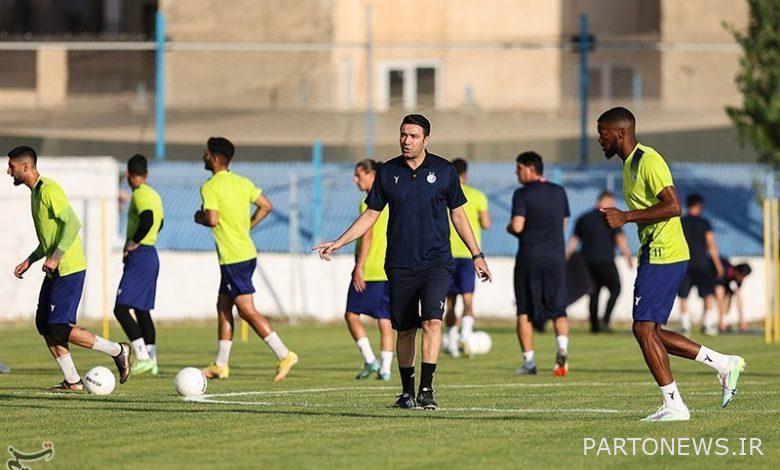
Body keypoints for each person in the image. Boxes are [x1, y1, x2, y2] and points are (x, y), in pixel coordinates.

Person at [314, 114, 491, 410]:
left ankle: (426, 389)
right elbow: (371, 214)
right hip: (399, 263)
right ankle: (407, 391)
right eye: (403, 135)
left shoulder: (444, 171)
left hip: (436, 262)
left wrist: (477, 254)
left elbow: (458, 214)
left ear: (426, 140)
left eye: (413, 136)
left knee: (433, 320)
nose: (406, 141)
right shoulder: (387, 172)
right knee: (406, 328)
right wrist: (339, 242)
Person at [597, 107, 745, 421]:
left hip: (665, 252)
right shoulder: (628, 166)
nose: (600, 139)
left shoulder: (648, 160)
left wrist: (626, 216)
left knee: (643, 329)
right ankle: (722, 364)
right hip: (655, 252)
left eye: (603, 132)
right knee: (648, 331)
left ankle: (675, 405)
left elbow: (673, 206)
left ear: (620, 133)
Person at [8, 145, 131, 391]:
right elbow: (50, 238)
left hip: (70, 267)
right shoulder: (35, 194)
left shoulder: (49, 190)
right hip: (55, 268)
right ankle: (73, 381)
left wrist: (55, 257)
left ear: (25, 166)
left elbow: (73, 223)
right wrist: (30, 260)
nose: (8, 171)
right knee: (44, 324)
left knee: (57, 326)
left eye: (11, 166)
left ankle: (118, 350)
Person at [195, 137, 298, 382]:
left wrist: (198, 216)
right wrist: (248, 225)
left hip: (233, 257)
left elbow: (211, 219)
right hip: (244, 253)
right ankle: (220, 364)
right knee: (223, 306)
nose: (204, 156)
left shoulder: (210, 186)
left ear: (216, 158)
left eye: (207, 153)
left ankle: (284, 354)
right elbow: (266, 205)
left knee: (247, 310)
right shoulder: (242, 182)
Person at [507, 152, 570, 377]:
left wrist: (509, 228)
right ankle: (562, 348)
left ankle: (529, 362)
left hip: (530, 257)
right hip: (555, 258)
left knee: (524, 310)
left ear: (530, 168)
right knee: (559, 308)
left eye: (519, 169)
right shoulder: (559, 191)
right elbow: (563, 224)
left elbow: (517, 226)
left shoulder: (522, 194)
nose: (517, 173)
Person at [113, 154, 164, 375]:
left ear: (128, 174)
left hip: (141, 255)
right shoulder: (154, 194)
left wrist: (134, 242)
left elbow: (149, 219)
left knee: (121, 308)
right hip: (151, 253)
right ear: (147, 174)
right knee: (142, 310)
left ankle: (142, 357)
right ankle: (151, 360)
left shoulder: (140, 194)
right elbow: (160, 223)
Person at [346, 159, 393, 381]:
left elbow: (367, 234)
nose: (356, 180)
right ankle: (385, 369)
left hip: (372, 269)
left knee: (351, 314)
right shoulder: (393, 199)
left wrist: (359, 267)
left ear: (371, 175)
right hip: (390, 268)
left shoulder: (368, 203)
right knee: (385, 319)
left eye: (358, 175)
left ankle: (369, 359)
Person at [566, 190, 633, 333]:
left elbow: (574, 241)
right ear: (605, 201)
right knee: (616, 288)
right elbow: (619, 239)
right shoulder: (610, 218)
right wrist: (627, 255)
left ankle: (595, 326)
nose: (613, 206)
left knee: (594, 293)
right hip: (606, 261)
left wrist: (566, 257)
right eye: (612, 203)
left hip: (587, 262)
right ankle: (606, 321)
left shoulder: (583, 218)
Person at [444, 158, 491, 357]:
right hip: (467, 255)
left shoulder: (444, 194)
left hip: (446, 254)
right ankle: (466, 337)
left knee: (450, 303)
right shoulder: (477, 195)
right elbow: (486, 223)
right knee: (468, 300)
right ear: (466, 174)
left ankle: (453, 344)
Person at [677, 194, 724, 336]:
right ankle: (708, 325)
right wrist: (718, 264)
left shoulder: (680, 222)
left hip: (684, 263)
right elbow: (711, 243)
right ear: (700, 206)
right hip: (702, 264)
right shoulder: (704, 223)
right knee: (708, 294)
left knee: (683, 295)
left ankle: (686, 327)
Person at [716, 258, 752, 332]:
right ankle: (721, 322)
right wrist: (721, 320)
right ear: (737, 271)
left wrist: (742, 320)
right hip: (711, 278)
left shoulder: (739, 278)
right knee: (721, 296)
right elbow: (719, 297)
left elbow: (739, 298)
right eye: (742, 276)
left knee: (728, 297)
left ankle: (725, 322)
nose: (743, 279)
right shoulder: (725, 270)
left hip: (724, 285)